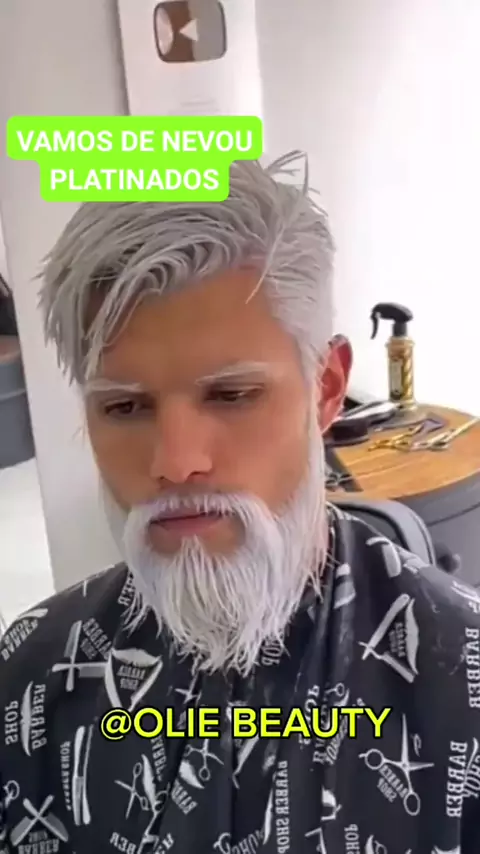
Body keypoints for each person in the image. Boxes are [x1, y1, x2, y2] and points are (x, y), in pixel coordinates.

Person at [0, 152, 479, 854]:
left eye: (231, 395)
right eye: (125, 406)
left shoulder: (463, 687)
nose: (174, 461)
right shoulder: (33, 679)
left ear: (325, 388)